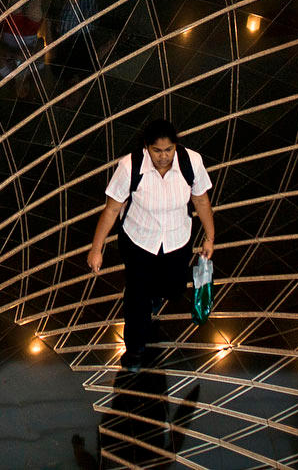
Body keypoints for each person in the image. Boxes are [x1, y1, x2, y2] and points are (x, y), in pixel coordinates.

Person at [86, 119, 215, 372]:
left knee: (174, 289)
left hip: (177, 242)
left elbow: (201, 201)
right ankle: (134, 352)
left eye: (169, 150)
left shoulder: (191, 163)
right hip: (139, 244)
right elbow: (112, 209)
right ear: (147, 148)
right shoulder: (130, 166)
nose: (164, 156)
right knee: (136, 299)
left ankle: (156, 295)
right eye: (157, 151)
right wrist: (96, 248)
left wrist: (209, 237)